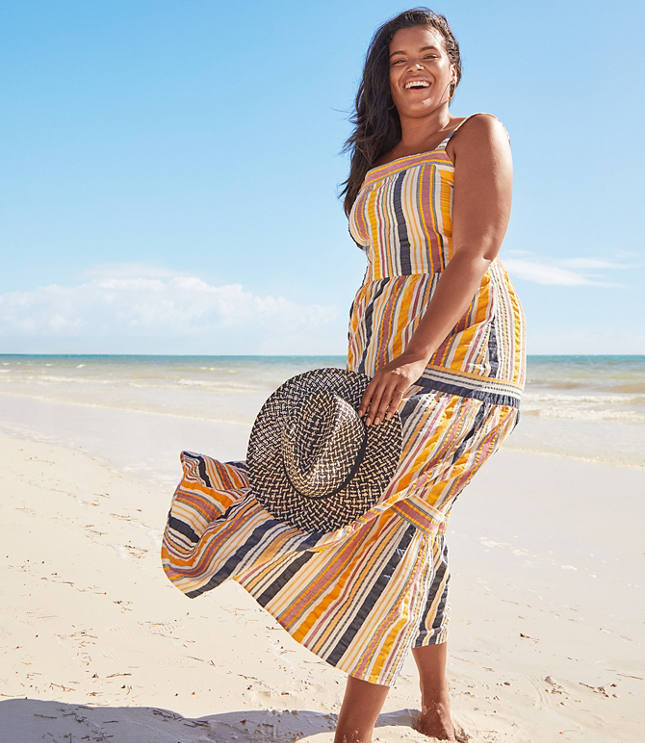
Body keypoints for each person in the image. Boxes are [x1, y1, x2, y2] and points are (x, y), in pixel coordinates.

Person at [162, 7, 526, 743]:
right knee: (416, 517)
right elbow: (380, 270)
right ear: (384, 76)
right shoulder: (374, 155)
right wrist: (375, 358)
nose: (414, 67)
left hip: (460, 356)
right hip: (379, 356)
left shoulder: (475, 134)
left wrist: (415, 354)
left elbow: (474, 254)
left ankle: (351, 732)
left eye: (428, 54)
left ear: (453, 68)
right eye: (397, 59)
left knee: (384, 522)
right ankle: (433, 704)